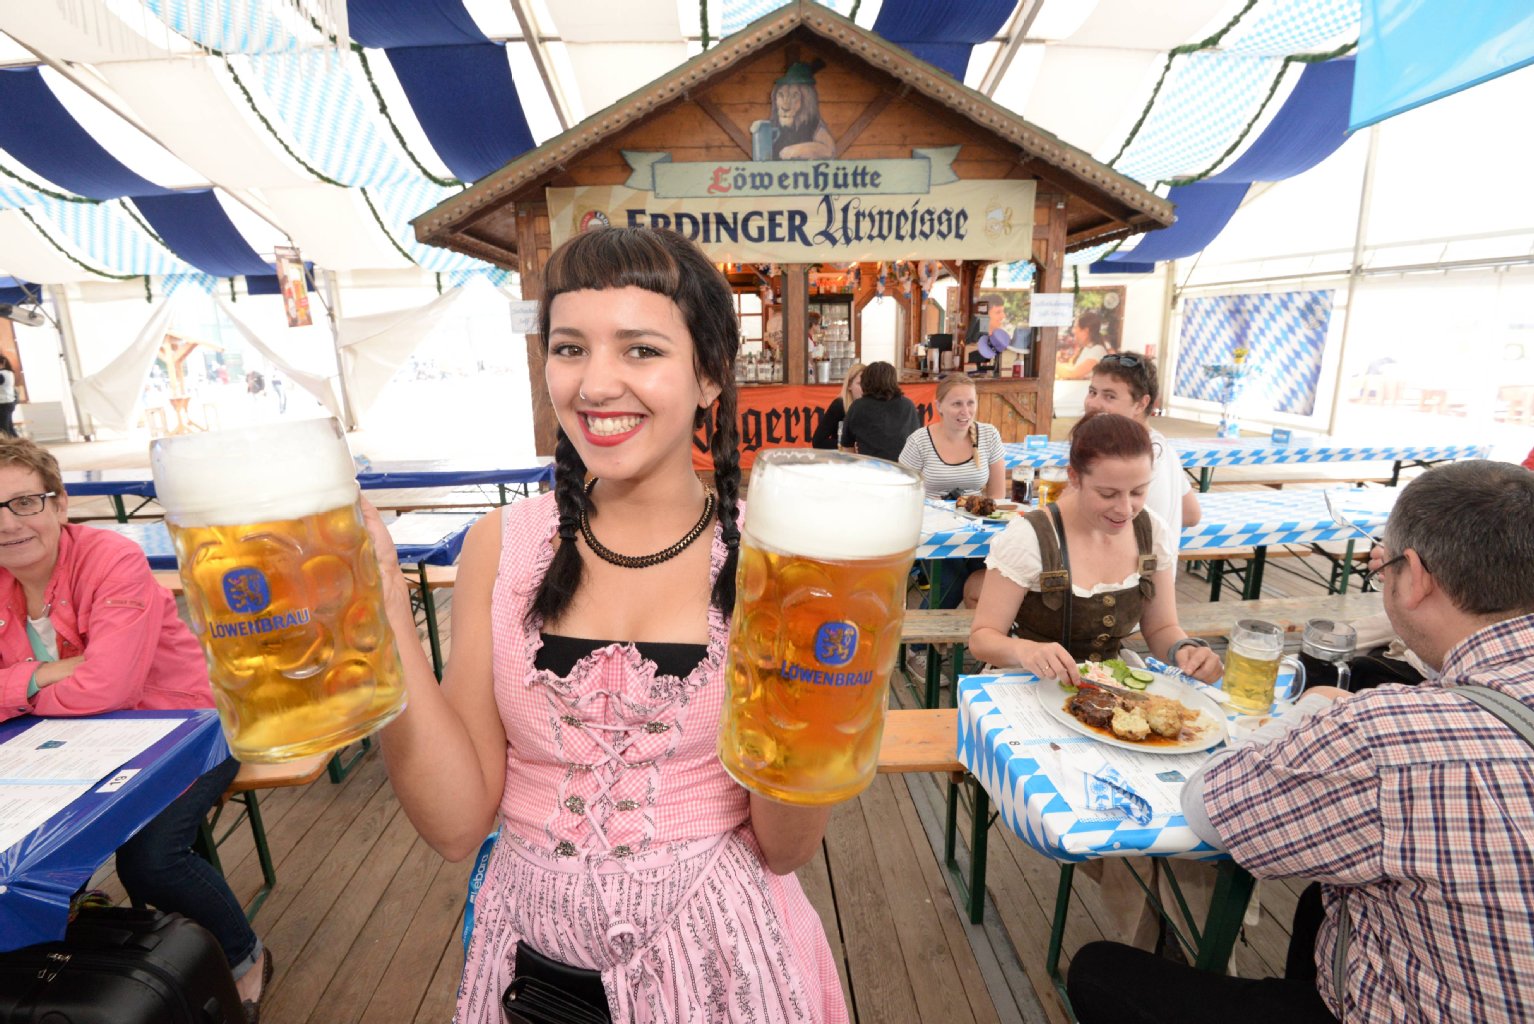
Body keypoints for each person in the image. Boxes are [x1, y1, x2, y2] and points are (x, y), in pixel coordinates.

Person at [362, 227, 848, 1023]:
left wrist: (827, 708)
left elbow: (788, 847)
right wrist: (382, 601)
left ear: (711, 375)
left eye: (641, 350)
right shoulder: (506, 546)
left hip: (723, 956)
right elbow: (455, 826)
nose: (595, 383)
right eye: (570, 348)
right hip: (534, 964)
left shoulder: (779, 557)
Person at [1069, 459, 1534, 1024]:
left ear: (1415, 577)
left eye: (1380, 563)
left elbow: (1211, 804)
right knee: (1323, 896)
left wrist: (1313, 709)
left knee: (1097, 970)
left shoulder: (1386, 734)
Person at [0, 437, 270, 1019]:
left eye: (24, 503)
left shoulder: (111, 559)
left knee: (151, 859)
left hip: (189, 727)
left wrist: (18, 685)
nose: (8, 524)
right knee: (15, 855)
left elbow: (111, 688)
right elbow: (94, 683)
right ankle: (52, 968)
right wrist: (44, 673)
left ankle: (244, 956)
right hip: (70, 741)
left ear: (60, 505)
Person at [968, 411, 1222, 682]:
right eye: (1107, 494)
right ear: (1074, 478)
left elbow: (1162, 627)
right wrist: (1024, 650)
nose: (1125, 509)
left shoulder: (1152, 533)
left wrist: (1184, 650)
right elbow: (982, 639)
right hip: (1030, 684)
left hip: (1108, 688)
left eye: (1138, 491)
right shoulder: (1030, 537)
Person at [899, 374, 1005, 608]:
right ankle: (925, 644)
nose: (965, 411)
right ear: (939, 406)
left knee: (987, 584)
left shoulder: (989, 435)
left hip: (978, 528)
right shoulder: (919, 441)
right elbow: (902, 493)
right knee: (952, 585)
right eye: (957, 403)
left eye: (970, 403)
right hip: (933, 531)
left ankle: (975, 640)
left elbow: (998, 495)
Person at [1082, 352, 1202, 541]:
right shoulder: (1161, 446)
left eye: (1110, 396)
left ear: (1141, 404)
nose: (1093, 403)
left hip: (1129, 568)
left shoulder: (1130, 457)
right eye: (1093, 392)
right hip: (1156, 565)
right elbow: (1191, 514)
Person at [841, 361, 919, 463]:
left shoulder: (858, 406)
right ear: (893, 380)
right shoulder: (908, 405)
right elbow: (917, 442)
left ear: (866, 381)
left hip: (870, 470)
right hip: (902, 469)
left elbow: (847, 447)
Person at [769, 62, 833, 160]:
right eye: (781, 95)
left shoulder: (813, 123)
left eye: (795, 96)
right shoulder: (772, 124)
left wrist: (794, 150)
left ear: (806, 101)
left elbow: (829, 150)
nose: (785, 106)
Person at [810, 361, 864, 450]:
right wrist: (848, 445)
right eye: (859, 383)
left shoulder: (873, 407)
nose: (864, 388)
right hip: (844, 460)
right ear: (849, 385)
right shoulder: (839, 405)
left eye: (867, 383)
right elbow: (818, 441)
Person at [1057, 309, 1113, 381]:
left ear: (1086, 331)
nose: (1074, 331)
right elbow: (1072, 369)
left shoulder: (1098, 350)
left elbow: (1074, 373)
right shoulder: (1087, 349)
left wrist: (1051, 365)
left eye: (1076, 327)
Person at [0, 356, 17, 437]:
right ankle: (20, 445)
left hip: (3, 404)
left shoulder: (1, 374)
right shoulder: (9, 373)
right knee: (9, 428)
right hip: (9, 402)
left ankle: (14, 447)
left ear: (2, 363)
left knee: (5, 429)